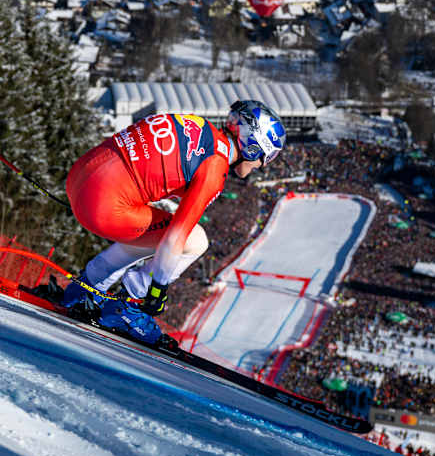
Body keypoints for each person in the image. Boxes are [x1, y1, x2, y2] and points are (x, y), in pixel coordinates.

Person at [62, 100, 286, 344]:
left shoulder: (199, 125)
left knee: (150, 230)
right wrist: (157, 290)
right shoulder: (214, 166)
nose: (261, 166)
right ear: (252, 146)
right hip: (102, 207)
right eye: (266, 156)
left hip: (79, 178)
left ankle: (88, 286)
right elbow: (175, 238)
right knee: (196, 240)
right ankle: (128, 306)